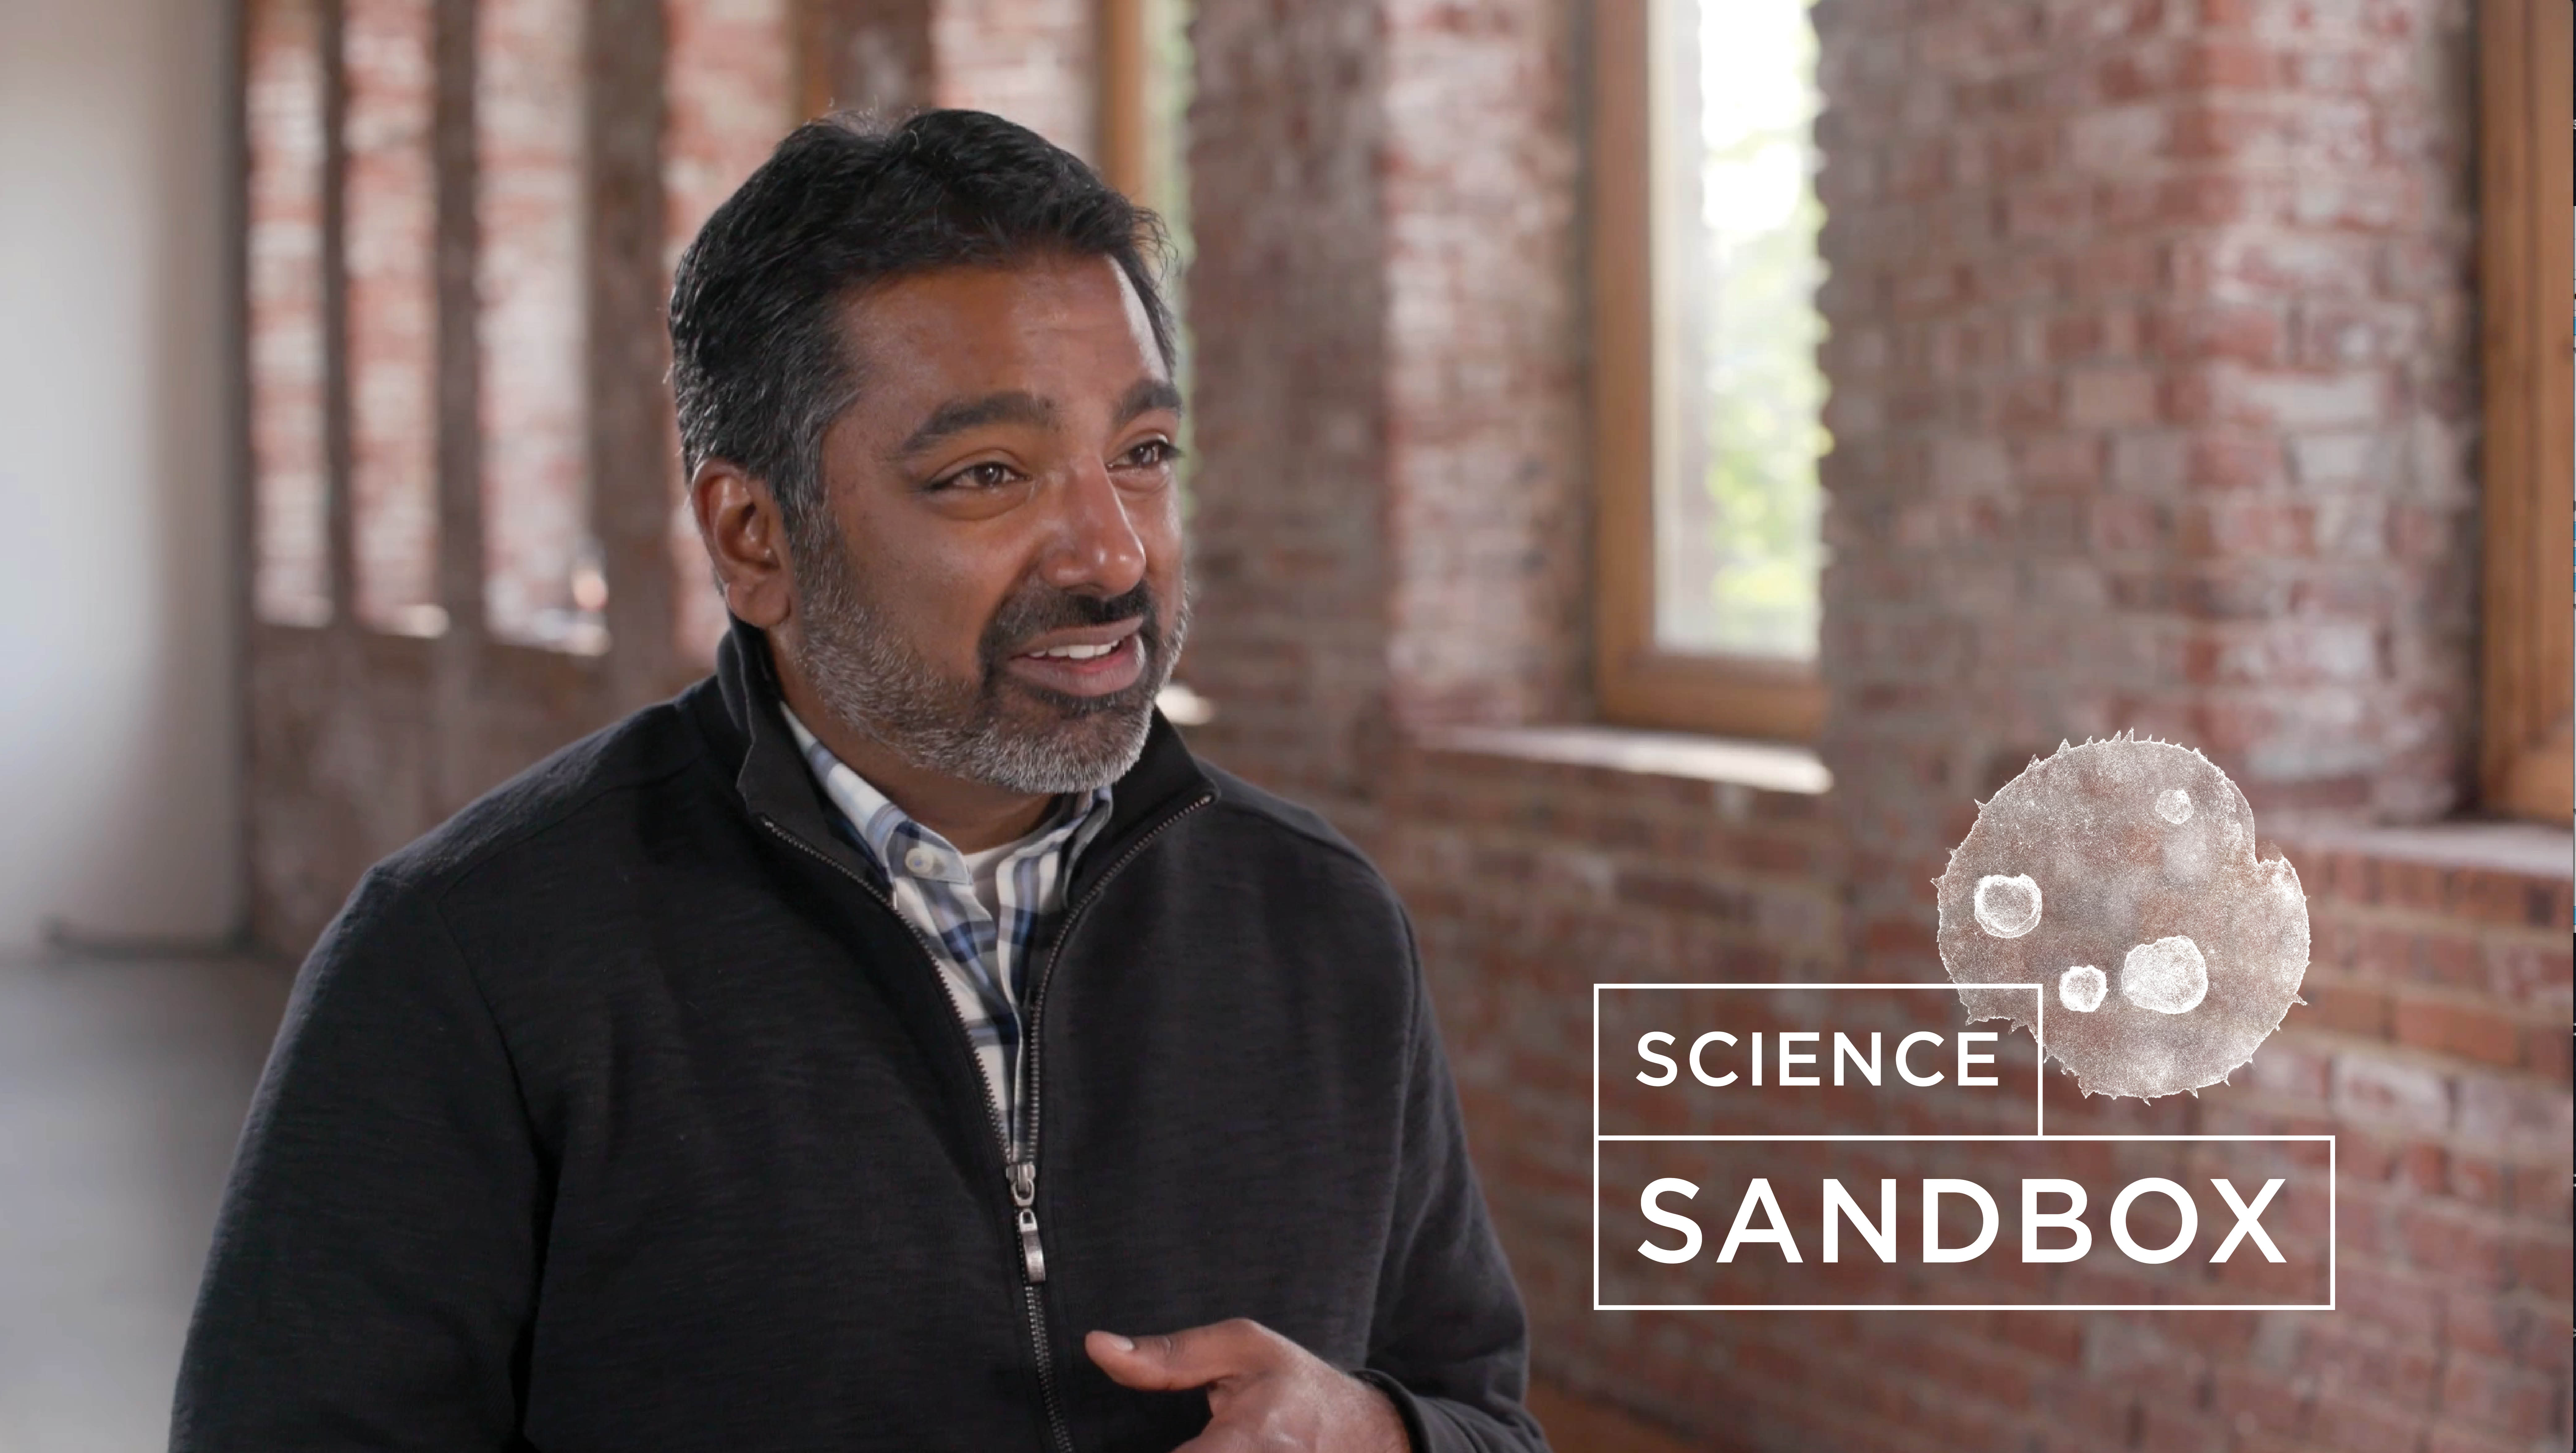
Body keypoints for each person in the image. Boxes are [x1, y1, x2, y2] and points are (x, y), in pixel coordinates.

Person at [171, 109, 1545, 1453]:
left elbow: (1481, 1412)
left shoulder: (1321, 923)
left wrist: (1379, 1433)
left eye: (1142, 456)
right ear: (753, 538)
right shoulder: (465, 961)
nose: (1112, 555)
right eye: (989, 474)